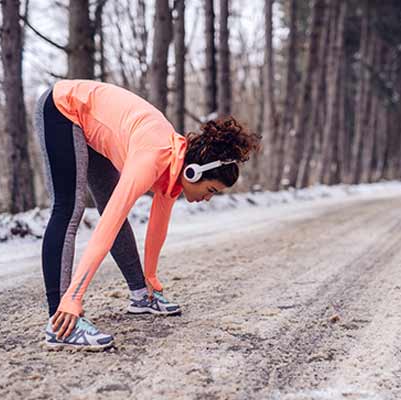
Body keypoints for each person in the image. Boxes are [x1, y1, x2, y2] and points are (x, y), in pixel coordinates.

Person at [33, 80, 261, 350]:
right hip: (63, 108)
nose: (208, 198)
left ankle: (142, 296)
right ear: (193, 172)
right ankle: (59, 322)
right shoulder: (152, 158)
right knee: (69, 209)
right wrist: (74, 297)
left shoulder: (175, 167)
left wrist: (151, 278)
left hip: (91, 129)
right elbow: (107, 226)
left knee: (110, 205)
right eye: (211, 189)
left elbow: (157, 227)